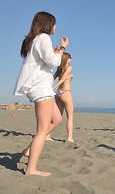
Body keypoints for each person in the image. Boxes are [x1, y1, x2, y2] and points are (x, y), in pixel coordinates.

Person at [14, 11, 69, 176]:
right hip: (40, 87)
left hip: (40, 86)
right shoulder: (43, 37)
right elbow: (52, 61)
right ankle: (31, 169)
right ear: (48, 24)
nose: (55, 27)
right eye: (54, 23)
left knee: (57, 119)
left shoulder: (35, 39)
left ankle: (29, 149)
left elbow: (45, 60)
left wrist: (53, 53)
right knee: (42, 129)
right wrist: (62, 50)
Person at [46, 52, 74, 142]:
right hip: (65, 93)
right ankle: (69, 138)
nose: (71, 59)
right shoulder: (69, 68)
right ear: (66, 59)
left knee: (57, 117)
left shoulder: (59, 69)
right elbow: (62, 80)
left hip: (58, 94)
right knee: (70, 116)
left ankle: (47, 135)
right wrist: (52, 88)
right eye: (70, 58)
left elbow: (51, 79)